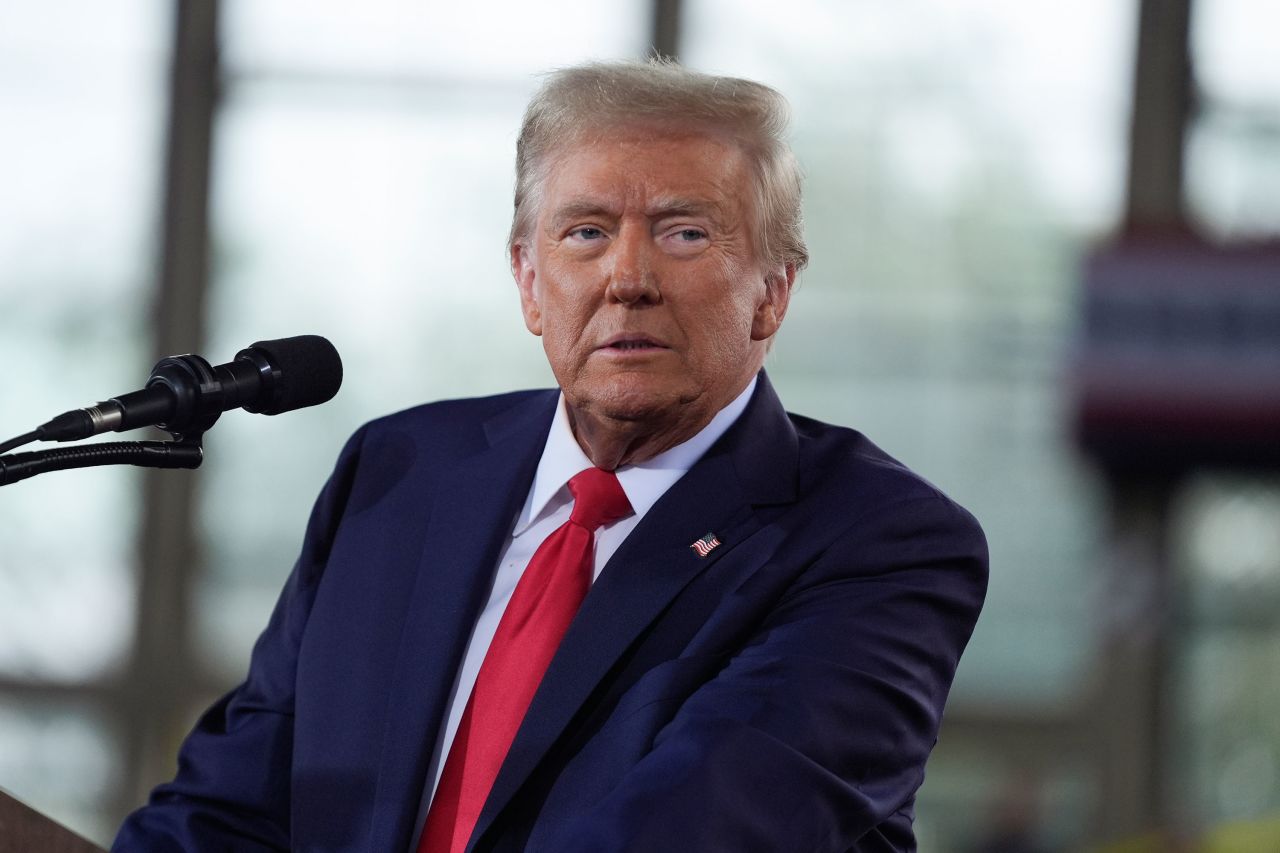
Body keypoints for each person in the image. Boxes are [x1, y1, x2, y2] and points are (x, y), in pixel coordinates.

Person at [113, 59, 987, 853]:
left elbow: (697, 831)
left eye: (685, 233)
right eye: (585, 232)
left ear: (772, 292)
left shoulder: (879, 542)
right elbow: (228, 809)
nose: (628, 277)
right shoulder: (399, 473)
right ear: (530, 282)